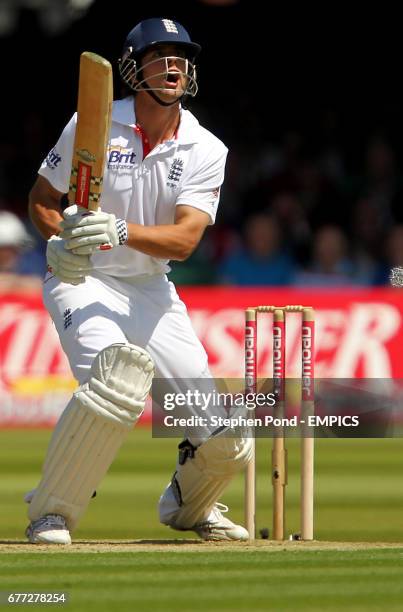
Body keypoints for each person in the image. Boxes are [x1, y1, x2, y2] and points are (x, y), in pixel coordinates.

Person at [26, 17, 252, 545]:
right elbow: (42, 200)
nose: (173, 66)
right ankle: (51, 512)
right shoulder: (93, 123)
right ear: (133, 68)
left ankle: (191, 506)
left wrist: (123, 231)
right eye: (159, 55)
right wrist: (60, 242)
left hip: (152, 290)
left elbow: (185, 240)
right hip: (83, 280)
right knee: (115, 384)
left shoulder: (206, 148)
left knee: (226, 436)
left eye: (181, 57)